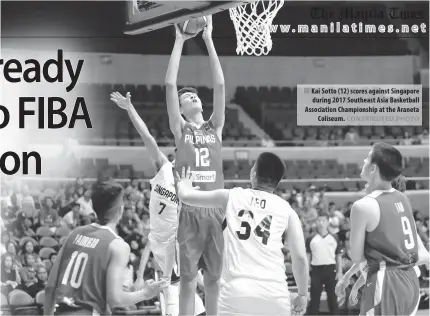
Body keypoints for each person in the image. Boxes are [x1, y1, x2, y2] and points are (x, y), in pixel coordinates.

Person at [175, 152, 309, 316]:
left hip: (236, 292)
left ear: (253, 174)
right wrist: (302, 294)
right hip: (275, 294)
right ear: (278, 182)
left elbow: (186, 197)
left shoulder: (233, 196)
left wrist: (183, 184)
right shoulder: (287, 210)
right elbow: (300, 258)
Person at [110, 91, 206, 316]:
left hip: (184, 253)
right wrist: (130, 109)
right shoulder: (163, 168)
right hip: (164, 257)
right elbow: (148, 139)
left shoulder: (195, 185)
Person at [165, 16, 226, 316]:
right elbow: (169, 83)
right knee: (188, 283)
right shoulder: (181, 130)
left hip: (215, 212)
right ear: (182, 107)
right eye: (187, 97)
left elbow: (220, 83)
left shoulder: (215, 128)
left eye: (195, 95)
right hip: (189, 212)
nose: (193, 97)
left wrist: (209, 40)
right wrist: (179, 40)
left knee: (214, 282)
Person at [44, 181, 167, 316]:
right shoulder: (117, 245)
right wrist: (145, 293)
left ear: (93, 206)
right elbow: (115, 299)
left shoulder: (74, 233)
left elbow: (50, 287)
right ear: (120, 210)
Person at [335, 142, 427, 315]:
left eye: (367, 157)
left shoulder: (363, 206)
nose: (364, 160)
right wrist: (349, 277)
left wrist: (352, 277)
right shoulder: (403, 199)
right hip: (410, 280)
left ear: (373, 169)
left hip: (386, 281)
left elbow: (357, 256)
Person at [306, 212, 342, 315]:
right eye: (319, 220)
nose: (321, 223)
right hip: (316, 271)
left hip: (331, 270)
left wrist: (340, 272)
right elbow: (308, 256)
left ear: (327, 222)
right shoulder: (311, 238)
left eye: (323, 221)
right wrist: (307, 273)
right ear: (316, 222)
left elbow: (338, 256)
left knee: (332, 299)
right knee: (314, 300)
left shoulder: (334, 237)